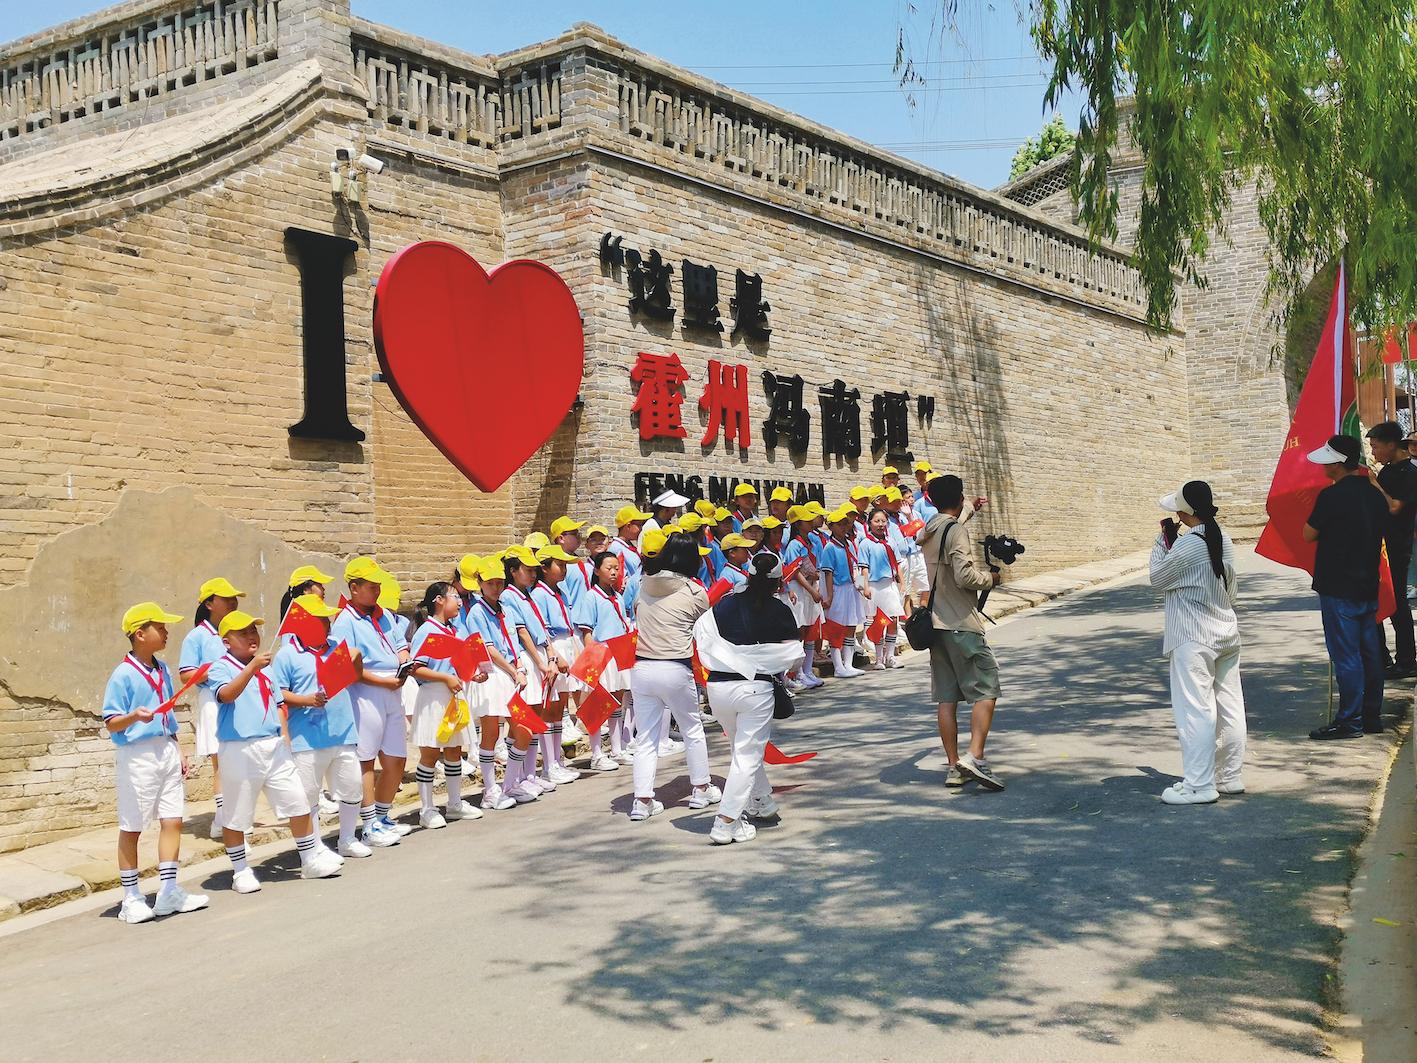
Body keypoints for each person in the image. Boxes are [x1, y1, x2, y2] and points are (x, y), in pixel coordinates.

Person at [206, 611, 343, 892]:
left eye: (253, 631)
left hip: (274, 745)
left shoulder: (266, 669)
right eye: (242, 633)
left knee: (298, 801)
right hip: (240, 747)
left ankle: (309, 858)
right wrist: (252, 668)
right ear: (227, 642)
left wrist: (285, 738)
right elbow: (227, 694)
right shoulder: (221, 666)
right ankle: (240, 870)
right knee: (237, 814)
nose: (251, 636)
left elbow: (278, 704)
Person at [105, 603, 208, 923]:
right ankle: (131, 897)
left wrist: (177, 748)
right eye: (160, 628)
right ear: (140, 634)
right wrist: (134, 716)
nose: (166, 633)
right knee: (132, 826)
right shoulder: (122, 674)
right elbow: (111, 722)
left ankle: (168, 891)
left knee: (172, 819)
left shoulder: (162, 669)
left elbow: (168, 714)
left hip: (164, 748)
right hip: (136, 755)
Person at [697, 552, 803, 845]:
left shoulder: (725, 603)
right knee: (746, 754)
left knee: (740, 749)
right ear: (779, 581)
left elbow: (705, 634)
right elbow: (793, 658)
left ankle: (761, 801)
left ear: (749, 575)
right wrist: (767, 658)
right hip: (755, 690)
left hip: (718, 687)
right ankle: (726, 821)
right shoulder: (780, 610)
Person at [1150, 482, 1246, 804]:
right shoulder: (1224, 538)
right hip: (1225, 633)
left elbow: (1157, 578)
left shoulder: (1186, 545)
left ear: (1183, 512)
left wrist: (1162, 542)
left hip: (1193, 637)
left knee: (1196, 711)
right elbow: (1230, 590)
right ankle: (1228, 777)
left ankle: (1199, 786)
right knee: (1230, 707)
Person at [917, 474, 1005, 790]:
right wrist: (990, 579)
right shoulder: (955, 532)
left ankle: (954, 767)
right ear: (960, 495)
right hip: (960, 624)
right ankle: (975, 757)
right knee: (986, 687)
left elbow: (949, 524)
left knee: (947, 697)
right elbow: (965, 575)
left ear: (930, 501)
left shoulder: (927, 531)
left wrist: (970, 509)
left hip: (935, 625)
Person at [271, 594, 372, 857]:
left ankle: (348, 839)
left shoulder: (336, 645)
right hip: (307, 736)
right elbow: (278, 694)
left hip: (342, 729)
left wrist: (357, 656)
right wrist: (306, 699)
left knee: (351, 787)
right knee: (309, 794)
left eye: (327, 619)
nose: (327, 624)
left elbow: (354, 677)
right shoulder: (286, 655)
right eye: (320, 620)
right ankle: (314, 846)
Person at [627, 530, 718, 821]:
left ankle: (641, 801)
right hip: (676, 666)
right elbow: (707, 627)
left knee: (646, 739)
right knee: (692, 730)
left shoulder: (641, 585)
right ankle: (701, 788)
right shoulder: (694, 592)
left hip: (641, 668)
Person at [1303, 435, 1390, 738]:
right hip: (1367, 583)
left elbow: (1308, 534)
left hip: (1339, 586)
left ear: (1338, 464)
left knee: (1347, 656)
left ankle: (1349, 720)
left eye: (1328, 460)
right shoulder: (1374, 495)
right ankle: (1371, 716)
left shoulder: (1332, 496)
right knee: (1370, 654)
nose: (1324, 465)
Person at [329, 557, 411, 847]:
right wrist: (384, 681)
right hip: (366, 692)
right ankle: (369, 823)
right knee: (366, 759)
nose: (377, 590)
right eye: (371, 586)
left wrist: (404, 663)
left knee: (396, 757)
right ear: (354, 588)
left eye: (378, 585)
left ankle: (384, 815)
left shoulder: (385, 615)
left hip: (394, 688)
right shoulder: (345, 621)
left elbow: (401, 645)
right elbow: (348, 668)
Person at [406, 583, 487, 828]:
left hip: (455, 694)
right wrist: (445, 678)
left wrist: (472, 674)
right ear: (439, 600)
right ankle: (427, 808)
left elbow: (459, 663)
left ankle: (454, 803)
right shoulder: (426, 631)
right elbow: (416, 668)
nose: (460, 601)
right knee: (430, 752)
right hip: (433, 696)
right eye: (455, 597)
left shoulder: (455, 630)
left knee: (454, 750)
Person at [464, 556, 536, 807]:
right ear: (479, 583)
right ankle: (490, 790)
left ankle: (509, 784)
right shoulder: (476, 612)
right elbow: (489, 649)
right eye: (490, 583)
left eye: (499, 582)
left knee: (524, 731)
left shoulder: (505, 609)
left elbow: (513, 642)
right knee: (491, 733)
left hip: (510, 676)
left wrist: (519, 668)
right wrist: (513, 670)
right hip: (492, 676)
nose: (495, 587)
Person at [180, 577, 243, 841]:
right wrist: (213, 670)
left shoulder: (237, 630)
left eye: (234, 597)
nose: (233, 602)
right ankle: (221, 818)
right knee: (221, 761)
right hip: (213, 700)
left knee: (237, 759)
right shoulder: (197, 636)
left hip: (239, 698)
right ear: (209, 603)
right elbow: (186, 675)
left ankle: (234, 814)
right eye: (226, 598)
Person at [571, 552, 635, 771]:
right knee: (599, 704)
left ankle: (617, 749)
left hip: (619, 653)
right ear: (596, 571)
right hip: (602, 655)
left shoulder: (617, 596)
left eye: (616, 568)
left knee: (616, 702)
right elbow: (586, 631)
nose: (614, 572)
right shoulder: (591, 597)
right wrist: (593, 662)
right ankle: (596, 753)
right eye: (609, 568)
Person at [1366, 422, 1417, 677]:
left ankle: (1407, 661)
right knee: (1375, 602)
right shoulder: (1387, 471)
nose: (1374, 453)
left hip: (1396, 547)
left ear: (1391, 445)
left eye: (1376, 447)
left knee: (1397, 604)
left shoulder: (1410, 473)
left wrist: (1374, 484)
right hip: (1378, 545)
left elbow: (1395, 507)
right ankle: (1381, 657)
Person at [531, 542, 583, 783]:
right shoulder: (539, 594)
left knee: (560, 708)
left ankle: (558, 761)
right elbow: (541, 629)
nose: (564, 569)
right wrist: (557, 656)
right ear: (544, 568)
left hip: (566, 643)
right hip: (552, 647)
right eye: (559, 564)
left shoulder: (561, 592)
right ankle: (548, 764)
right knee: (549, 709)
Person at [819, 506, 867, 678]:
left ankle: (848, 664)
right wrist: (830, 596)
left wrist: (861, 585)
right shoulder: (830, 547)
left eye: (845, 524)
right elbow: (828, 573)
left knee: (851, 625)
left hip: (851, 588)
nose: (843, 527)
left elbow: (856, 566)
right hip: (838, 590)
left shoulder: (850, 544)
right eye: (839, 524)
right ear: (830, 526)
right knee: (837, 627)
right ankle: (838, 666)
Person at [781, 507, 825, 689]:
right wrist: (812, 590)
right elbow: (794, 571)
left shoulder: (810, 543)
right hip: (799, 590)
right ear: (798, 524)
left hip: (809, 588)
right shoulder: (794, 545)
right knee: (800, 629)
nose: (811, 522)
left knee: (809, 630)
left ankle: (807, 671)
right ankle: (797, 673)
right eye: (806, 520)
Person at [860, 507, 905, 669]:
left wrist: (902, 583)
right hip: (874, 586)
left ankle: (890, 656)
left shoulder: (891, 542)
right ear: (869, 523)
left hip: (889, 584)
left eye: (883, 521)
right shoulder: (866, 543)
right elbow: (863, 567)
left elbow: (897, 564)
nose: (880, 524)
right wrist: (865, 587)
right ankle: (879, 657)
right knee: (878, 621)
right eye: (876, 521)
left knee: (893, 619)